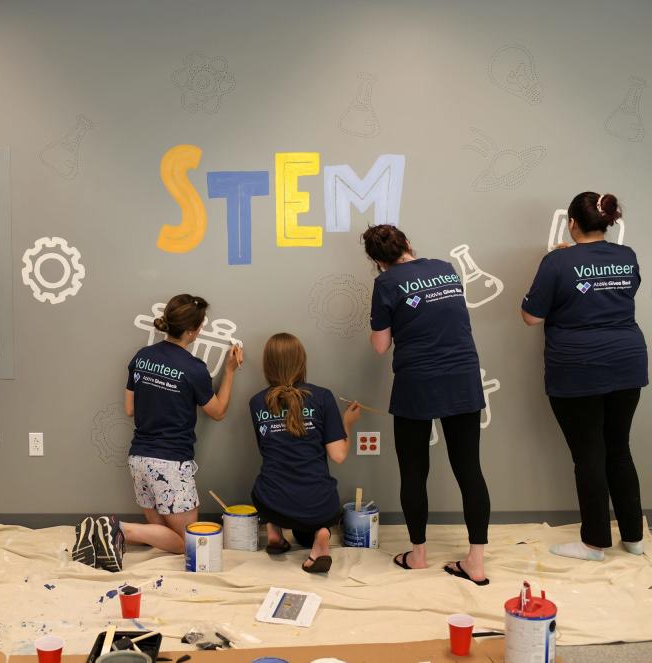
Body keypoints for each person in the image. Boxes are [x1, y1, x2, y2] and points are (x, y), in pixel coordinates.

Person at [71, 294, 243, 572]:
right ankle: (117, 528)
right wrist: (231, 370)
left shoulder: (142, 357)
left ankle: (112, 531)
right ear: (191, 330)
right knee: (190, 540)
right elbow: (218, 411)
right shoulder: (194, 368)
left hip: (139, 459)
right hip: (170, 463)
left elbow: (130, 409)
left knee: (166, 537)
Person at [363, 224, 491, 585]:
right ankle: (476, 562)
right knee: (469, 470)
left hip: (417, 381)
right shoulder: (445, 267)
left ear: (376, 261)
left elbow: (379, 346)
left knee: (414, 471)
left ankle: (418, 555)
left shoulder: (385, 284)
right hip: (462, 375)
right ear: (407, 243)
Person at [521, 192, 647, 561]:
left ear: (572, 223)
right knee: (618, 449)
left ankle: (594, 543)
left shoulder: (557, 261)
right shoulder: (627, 256)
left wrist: (563, 261)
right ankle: (635, 539)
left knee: (589, 454)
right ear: (607, 222)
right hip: (627, 361)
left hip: (578, 368)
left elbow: (531, 316)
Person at [249, 333, 361, 573]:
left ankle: (275, 531)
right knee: (311, 528)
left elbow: (265, 450)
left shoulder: (257, 402)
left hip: (271, 500)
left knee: (268, 488)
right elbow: (338, 455)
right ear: (302, 362)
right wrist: (347, 423)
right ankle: (322, 533)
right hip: (320, 505)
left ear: (267, 365)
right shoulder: (322, 397)